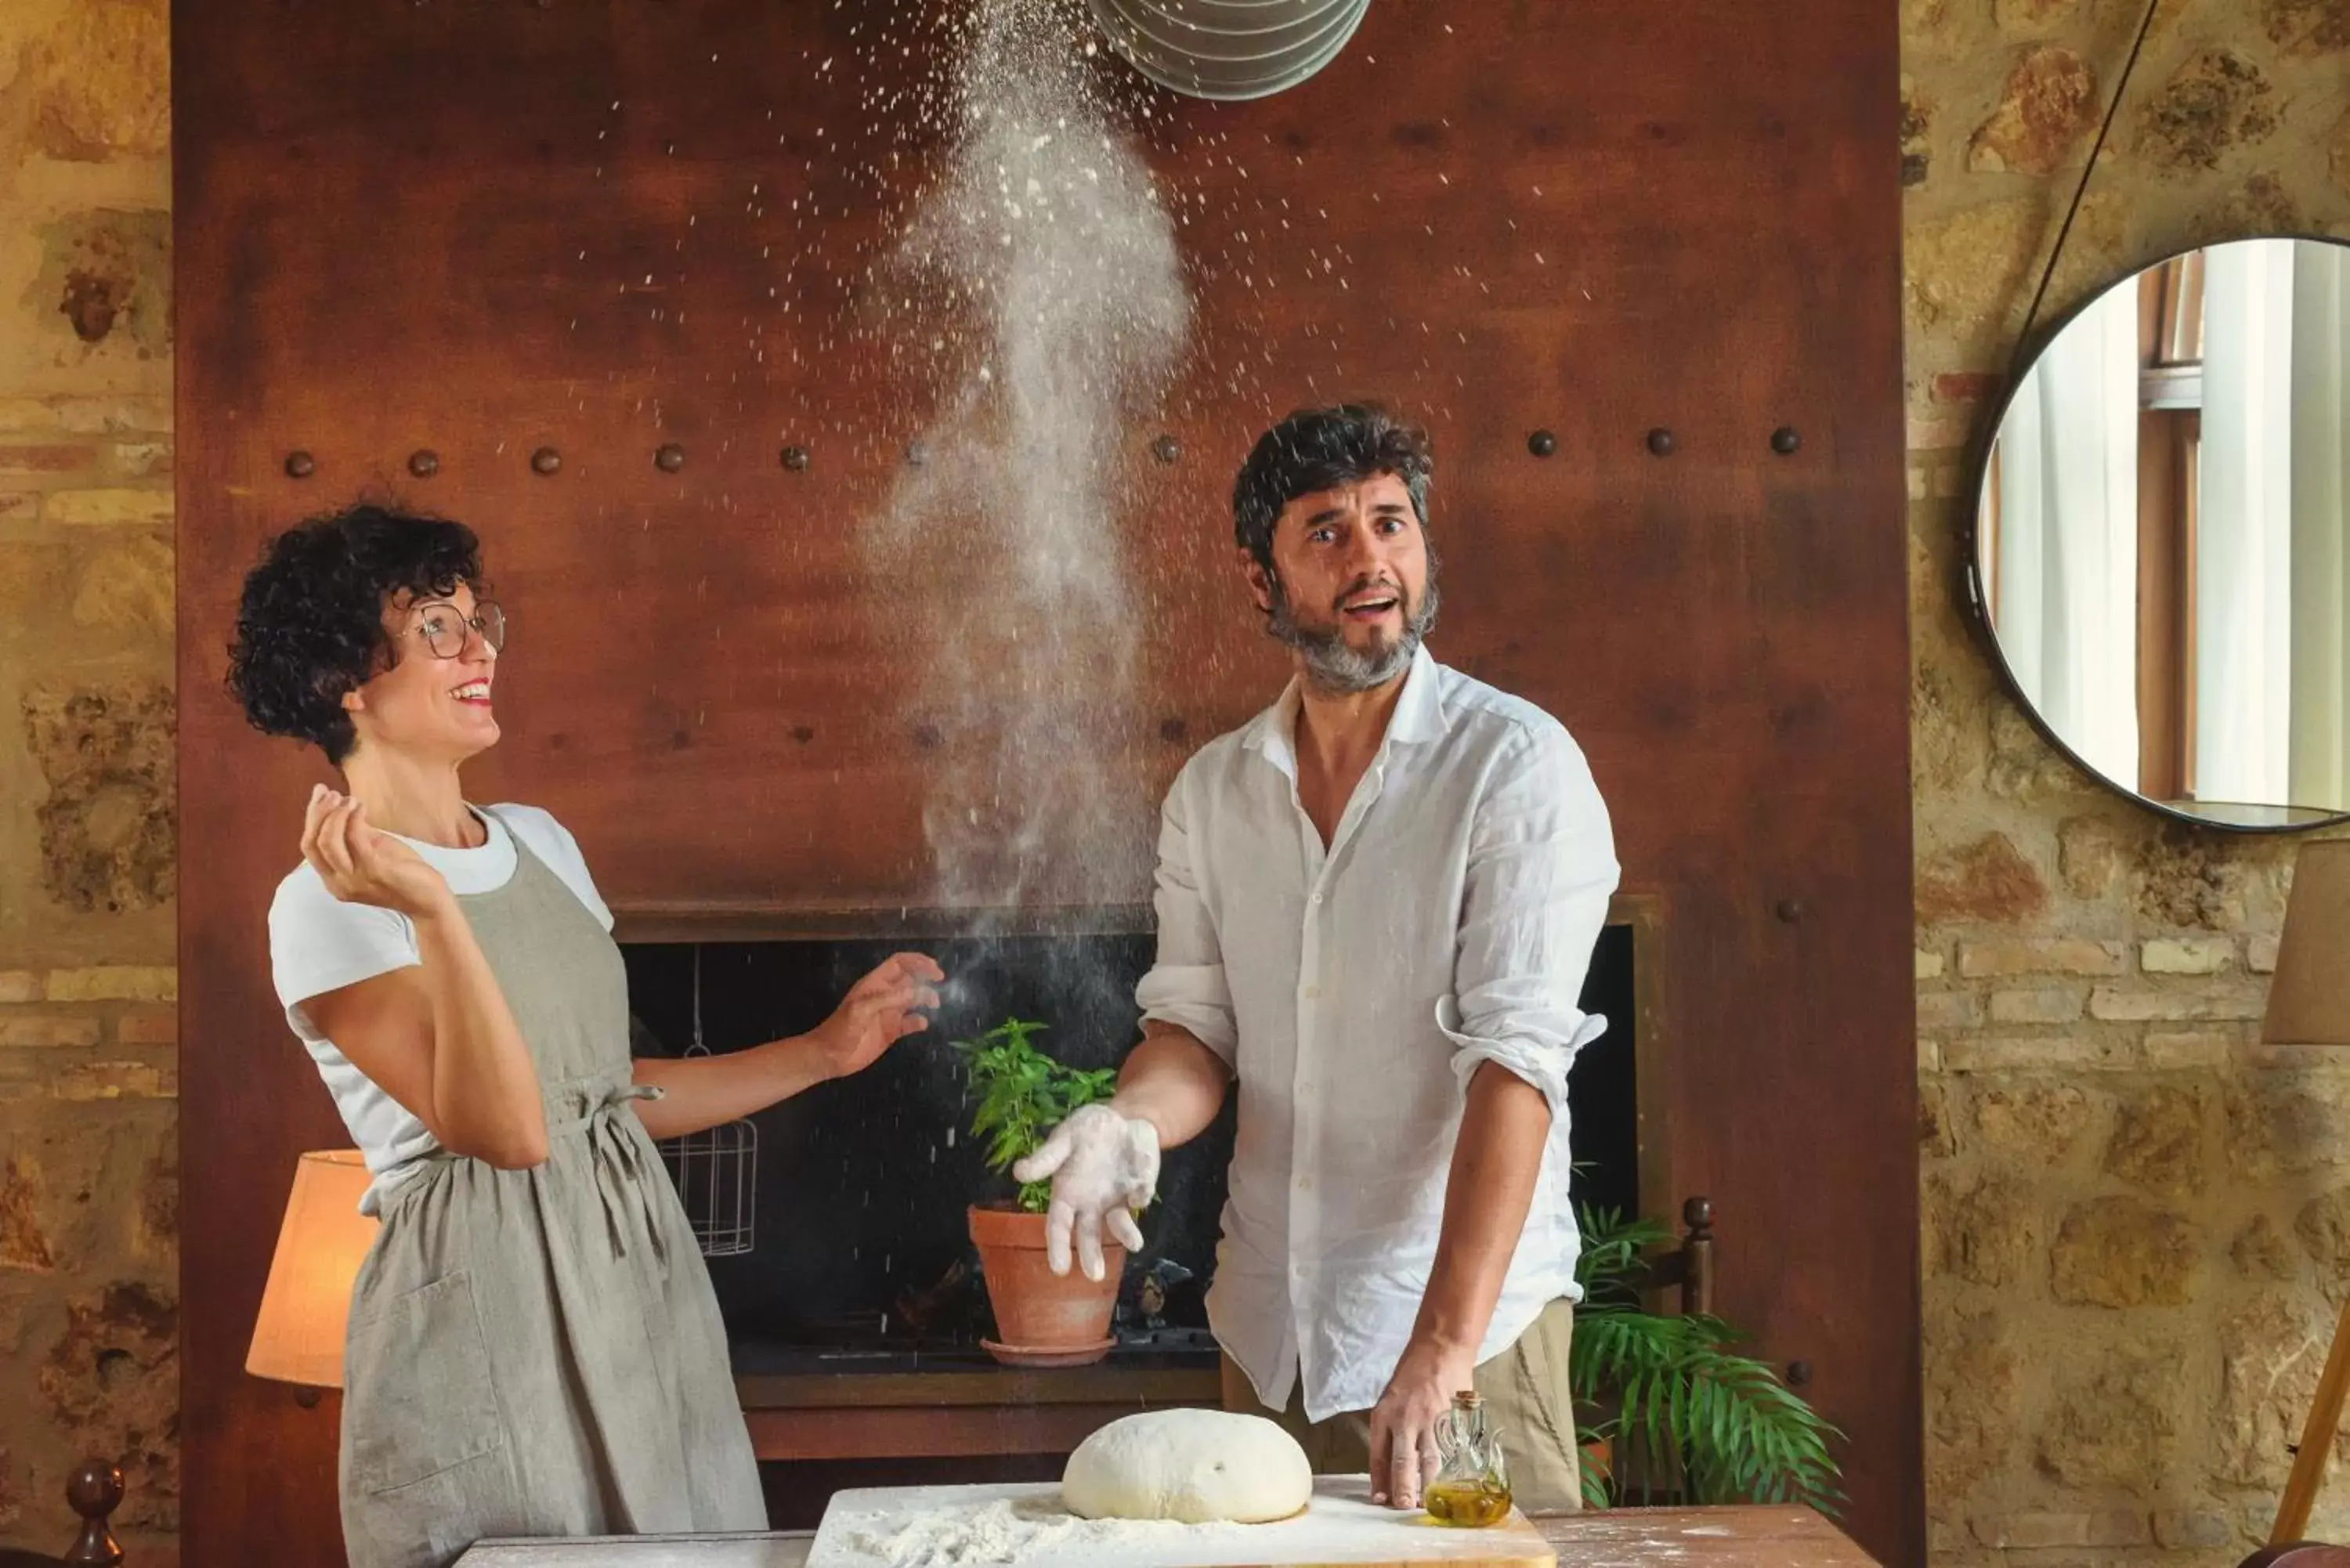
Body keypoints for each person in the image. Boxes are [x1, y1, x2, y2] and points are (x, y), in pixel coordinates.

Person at [227, 503, 945, 1568]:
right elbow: (510, 1130)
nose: (480, 651)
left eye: (480, 622)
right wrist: (429, 906)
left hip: (632, 1273)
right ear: (346, 674)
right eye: (437, 627)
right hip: (487, 1309)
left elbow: (598, 1097)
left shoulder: (541, 842)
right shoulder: (323, 905)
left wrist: (824, 1050)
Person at [1014, 404, 1618, 1513]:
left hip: (1461, 1345)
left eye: (1392, 522)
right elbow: (1193, 1030)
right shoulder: (1212, 791)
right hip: (1268, 1335)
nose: (1372, 558)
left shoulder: (1517, 768)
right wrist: (1129, 1120)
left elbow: (1514, 1069)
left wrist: (1441, 1350)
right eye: (1328, 532)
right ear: (1262, 577)